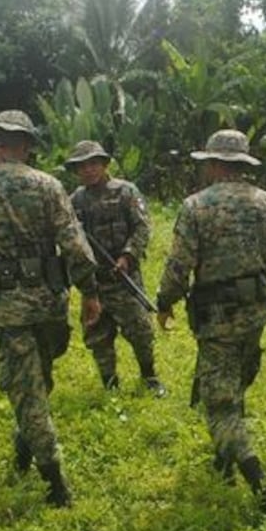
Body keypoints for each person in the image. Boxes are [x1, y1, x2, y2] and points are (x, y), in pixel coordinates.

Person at [0, 110, 102, 508]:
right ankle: (24, 449)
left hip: (7, 307)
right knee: (37, 383)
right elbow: (75, 245)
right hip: (50, 303)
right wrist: (90, 292)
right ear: (26, 147)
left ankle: (56, 486)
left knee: (30, 392)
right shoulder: (48, 185)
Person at [154, 129, 266, 517]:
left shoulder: (197, 206)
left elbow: (179, 265)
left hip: (216, 316)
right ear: (242, 165)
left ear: (214, 164)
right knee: (233, 384)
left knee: (220, 406)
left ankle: (261, 484)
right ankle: (223, 459)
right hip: (255, 311)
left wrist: (164, 302)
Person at [64, 140, 166, 397]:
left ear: (104, 164)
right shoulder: (74, 201)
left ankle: (149, 376)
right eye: (82, 166)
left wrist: (127, 256)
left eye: (93, 164)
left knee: (141, 332)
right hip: (94, 284)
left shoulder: (126, 192)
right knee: (98, 336)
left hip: (124, 279)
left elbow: (142, 227)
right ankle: (110, 384)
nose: (88, 170)